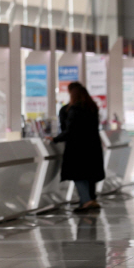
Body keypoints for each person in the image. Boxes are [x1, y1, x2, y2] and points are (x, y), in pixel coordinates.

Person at [47, 82, 105, 211]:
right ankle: (91, 198)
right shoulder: (92, 107)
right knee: (90, 175)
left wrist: (56, 139)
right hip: (92, 146)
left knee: (79, 175)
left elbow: (71, 130)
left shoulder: (74, 109)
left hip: (78, 148)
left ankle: (86, 201)